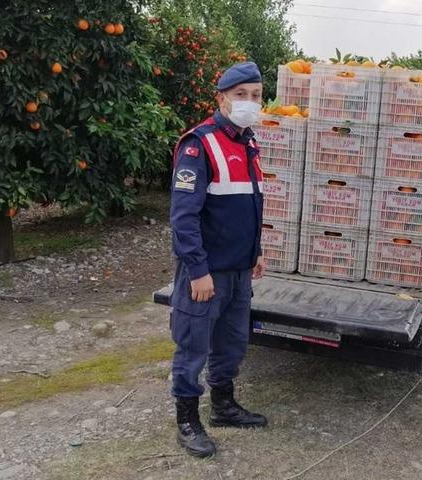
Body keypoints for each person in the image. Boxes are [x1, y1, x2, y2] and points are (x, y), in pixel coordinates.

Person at [169, 61, 268, 458]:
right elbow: (184, 217)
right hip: (206, 273)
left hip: (239, 269)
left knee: (232, 343)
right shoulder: (199, 144)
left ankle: (223, 407)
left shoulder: (249, 143)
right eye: (241, 94)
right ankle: (187, 420)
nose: (249, 102)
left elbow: (249, 204)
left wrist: (255, 252)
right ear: (222, 98)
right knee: (193, 345)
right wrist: (197, 270)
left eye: (256, 96)